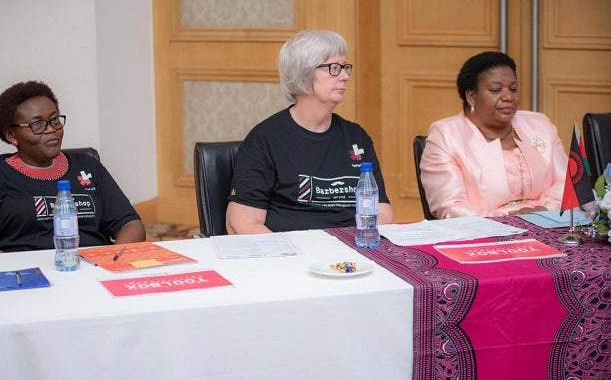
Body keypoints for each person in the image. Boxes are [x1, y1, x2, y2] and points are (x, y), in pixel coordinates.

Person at [0, 81, 146, 260]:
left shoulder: (87, 166)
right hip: (27, 280)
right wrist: (18, 270)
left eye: (54, 120)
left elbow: (130, 224)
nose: (51, 129)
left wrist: (111, 261)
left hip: (92, 272)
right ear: (11, 134)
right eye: (37, 124)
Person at [226, 30, 393, 234]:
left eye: (344, 67)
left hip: (351, 255)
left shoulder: (356, 137)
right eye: (334, 68)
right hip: (291, 256)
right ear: (303, 75)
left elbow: (381, 213)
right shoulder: (265, 139)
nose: (346, 76)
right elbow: (243, 223)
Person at [420, 51, 568, 219]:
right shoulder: (446, 135)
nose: (508, 97)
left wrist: (544, 211)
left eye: (513, 89)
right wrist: (510, 219)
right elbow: (451, 207)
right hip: (485, 234)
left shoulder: (539, 124)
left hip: (550, 223)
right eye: (496, 90)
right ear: (471, 97)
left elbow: (567, 183)